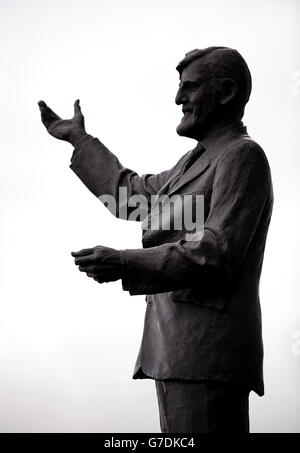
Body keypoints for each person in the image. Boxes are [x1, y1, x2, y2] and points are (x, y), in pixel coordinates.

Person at [38, 46, 273, 433]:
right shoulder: (191, 164)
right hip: (175, 349)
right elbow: (129, 198)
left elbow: (215, 251)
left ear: (227, 92)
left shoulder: (242, 156)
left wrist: (125, 262)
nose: (179, 98)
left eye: (190, 87)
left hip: (208, 352)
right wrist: (80, 141)